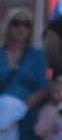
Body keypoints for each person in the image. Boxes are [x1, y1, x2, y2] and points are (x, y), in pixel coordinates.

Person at [1, 8, 47, 140]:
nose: (21, 28)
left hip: (26, 118)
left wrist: (20, 109)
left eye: (26, 24)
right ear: (8, 26)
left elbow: (42, 88)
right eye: (16, 23)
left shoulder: (37, 55)